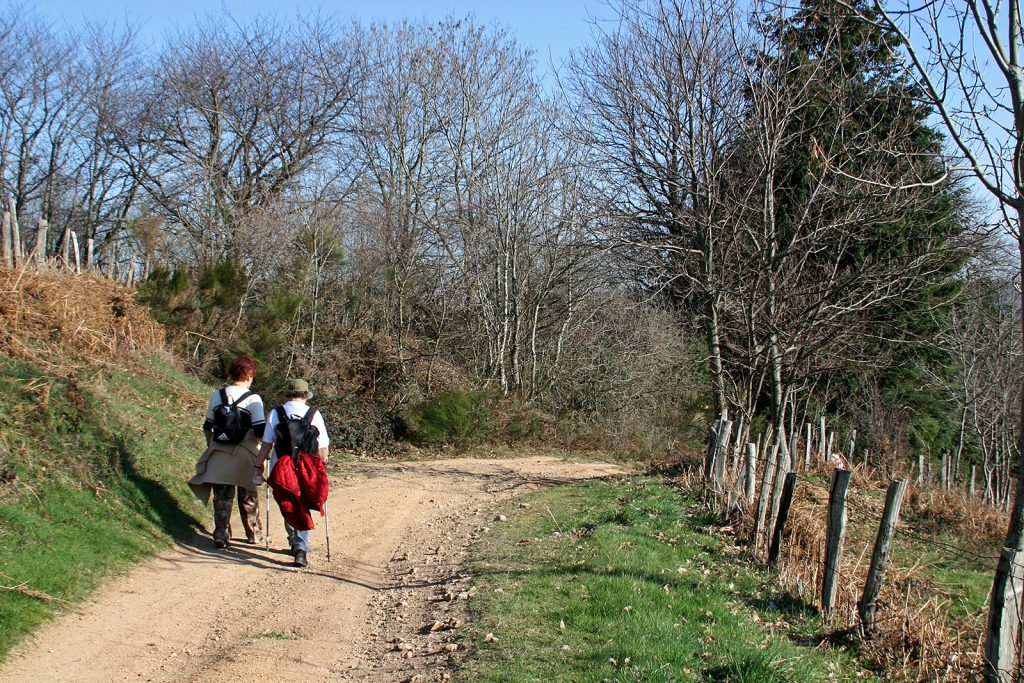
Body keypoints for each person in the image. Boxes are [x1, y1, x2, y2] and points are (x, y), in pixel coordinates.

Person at [188, 355, 266, 549]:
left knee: (222, 496)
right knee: (248, 495)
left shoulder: (218, 395)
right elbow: (259, 430)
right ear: (249, 375)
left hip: (220, 452)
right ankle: (253, 533)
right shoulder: (253, 399)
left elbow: (208, 425)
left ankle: (221, 533)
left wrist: (212, 445)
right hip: (246, 453)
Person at [256, 378, 329, 568]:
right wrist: (322, 466)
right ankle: (300, 548)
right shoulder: (314, 414)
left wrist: (258, 465)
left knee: (288, 502)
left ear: (287, 394)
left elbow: (266, 444)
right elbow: (323, 447)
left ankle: (295, 541)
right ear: (306, 395)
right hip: (307, 466)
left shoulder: (276, 413)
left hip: (281, 466)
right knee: (302, 503)